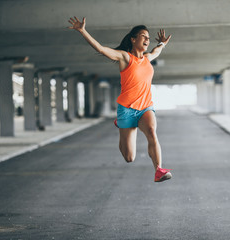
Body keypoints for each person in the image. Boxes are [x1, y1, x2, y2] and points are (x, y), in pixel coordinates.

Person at [68, 17, 172, 182]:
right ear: (133, 39)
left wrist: (162, 44)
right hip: (127, 109)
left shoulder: (147, 58)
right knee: (129, 157)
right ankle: (121, 126)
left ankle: (158, 170)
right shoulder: (125, 58)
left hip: (146, 107)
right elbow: (102, 49)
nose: (147, 39)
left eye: (148, 38)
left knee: (152, 132)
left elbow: (156, 51)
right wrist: (82, 31)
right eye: (143, 36)